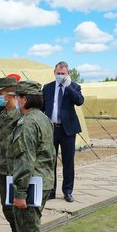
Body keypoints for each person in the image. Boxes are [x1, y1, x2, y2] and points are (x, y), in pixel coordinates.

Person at [10, 81, 55, 232]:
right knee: (30, 223)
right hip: (44, 178)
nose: (16, 101)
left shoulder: (27, 123)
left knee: (29, 226)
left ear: (25, 99)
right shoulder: (43, 118)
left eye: (18, 97)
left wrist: (19, 193)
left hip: (32, 183)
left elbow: (25, 160)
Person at [0, 77, 24, 232]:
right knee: (6, 205)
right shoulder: (2, 114)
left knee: (19, 207)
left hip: (16, 167)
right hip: (3, 165)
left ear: (11, 93)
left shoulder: (21, 116)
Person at [42, 61, 84, 203]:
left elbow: (79, 101)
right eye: (58, 73)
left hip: (68, 130)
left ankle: (67, 191)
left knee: (68, 162)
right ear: (54, 73)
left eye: (63, 73)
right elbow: (42, 107)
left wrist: (69, 87)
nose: (60, 76)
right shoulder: (47, 88)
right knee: (50, 162)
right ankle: (51, 191)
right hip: (51, 129)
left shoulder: (74, 86)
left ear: (67, 74)